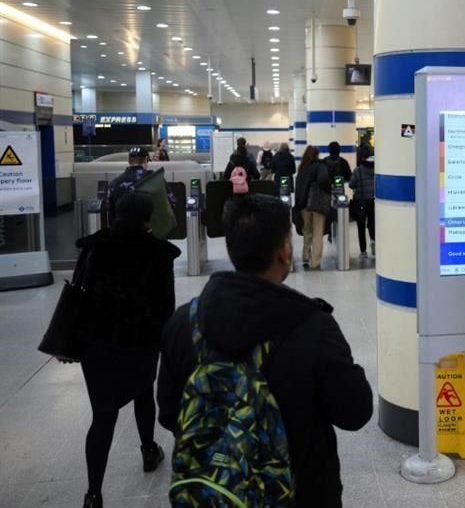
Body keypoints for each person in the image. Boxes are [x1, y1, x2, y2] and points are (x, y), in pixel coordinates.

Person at [158, 195, 373, 507]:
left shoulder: (182, 324)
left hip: (214, 493)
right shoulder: (314, 328)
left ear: (231, 250)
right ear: (285, 253)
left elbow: (168, 412)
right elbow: (355, 413)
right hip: (303, 493)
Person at [76, 192, 181, 508]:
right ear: (148, 217)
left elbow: (78, 295)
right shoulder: (158, 253)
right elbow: (166, 307)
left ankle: (94, 493)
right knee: (143, 391)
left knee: (103, 415)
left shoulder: (94, 248)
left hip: (97, 344)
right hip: (140, 341)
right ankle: (149, 449)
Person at [294, 146, 332, 270]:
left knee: (307, 232)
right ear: (317, 155)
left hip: (303, 205)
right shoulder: (320, 166)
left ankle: (305, 257)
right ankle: (315, 262)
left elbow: (298, 188)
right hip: (317, 204)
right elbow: (324, 181)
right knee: (317, 233)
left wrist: (298, 204)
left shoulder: (302, 168)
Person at [106, 147, 152, 223]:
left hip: (122, 232)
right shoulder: (155, 179)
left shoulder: (114, 184)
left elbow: (110, 212)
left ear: (129, 160)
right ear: (146, 159)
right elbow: (171, 203)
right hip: (148, 231)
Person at [348, 154, 376, 258]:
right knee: (372, 223)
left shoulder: (358, 170)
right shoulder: (376, 169)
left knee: (361, 226)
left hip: (361, 201)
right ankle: (373, 242)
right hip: (373, 200)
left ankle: (363, 250)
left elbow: (351, 185)